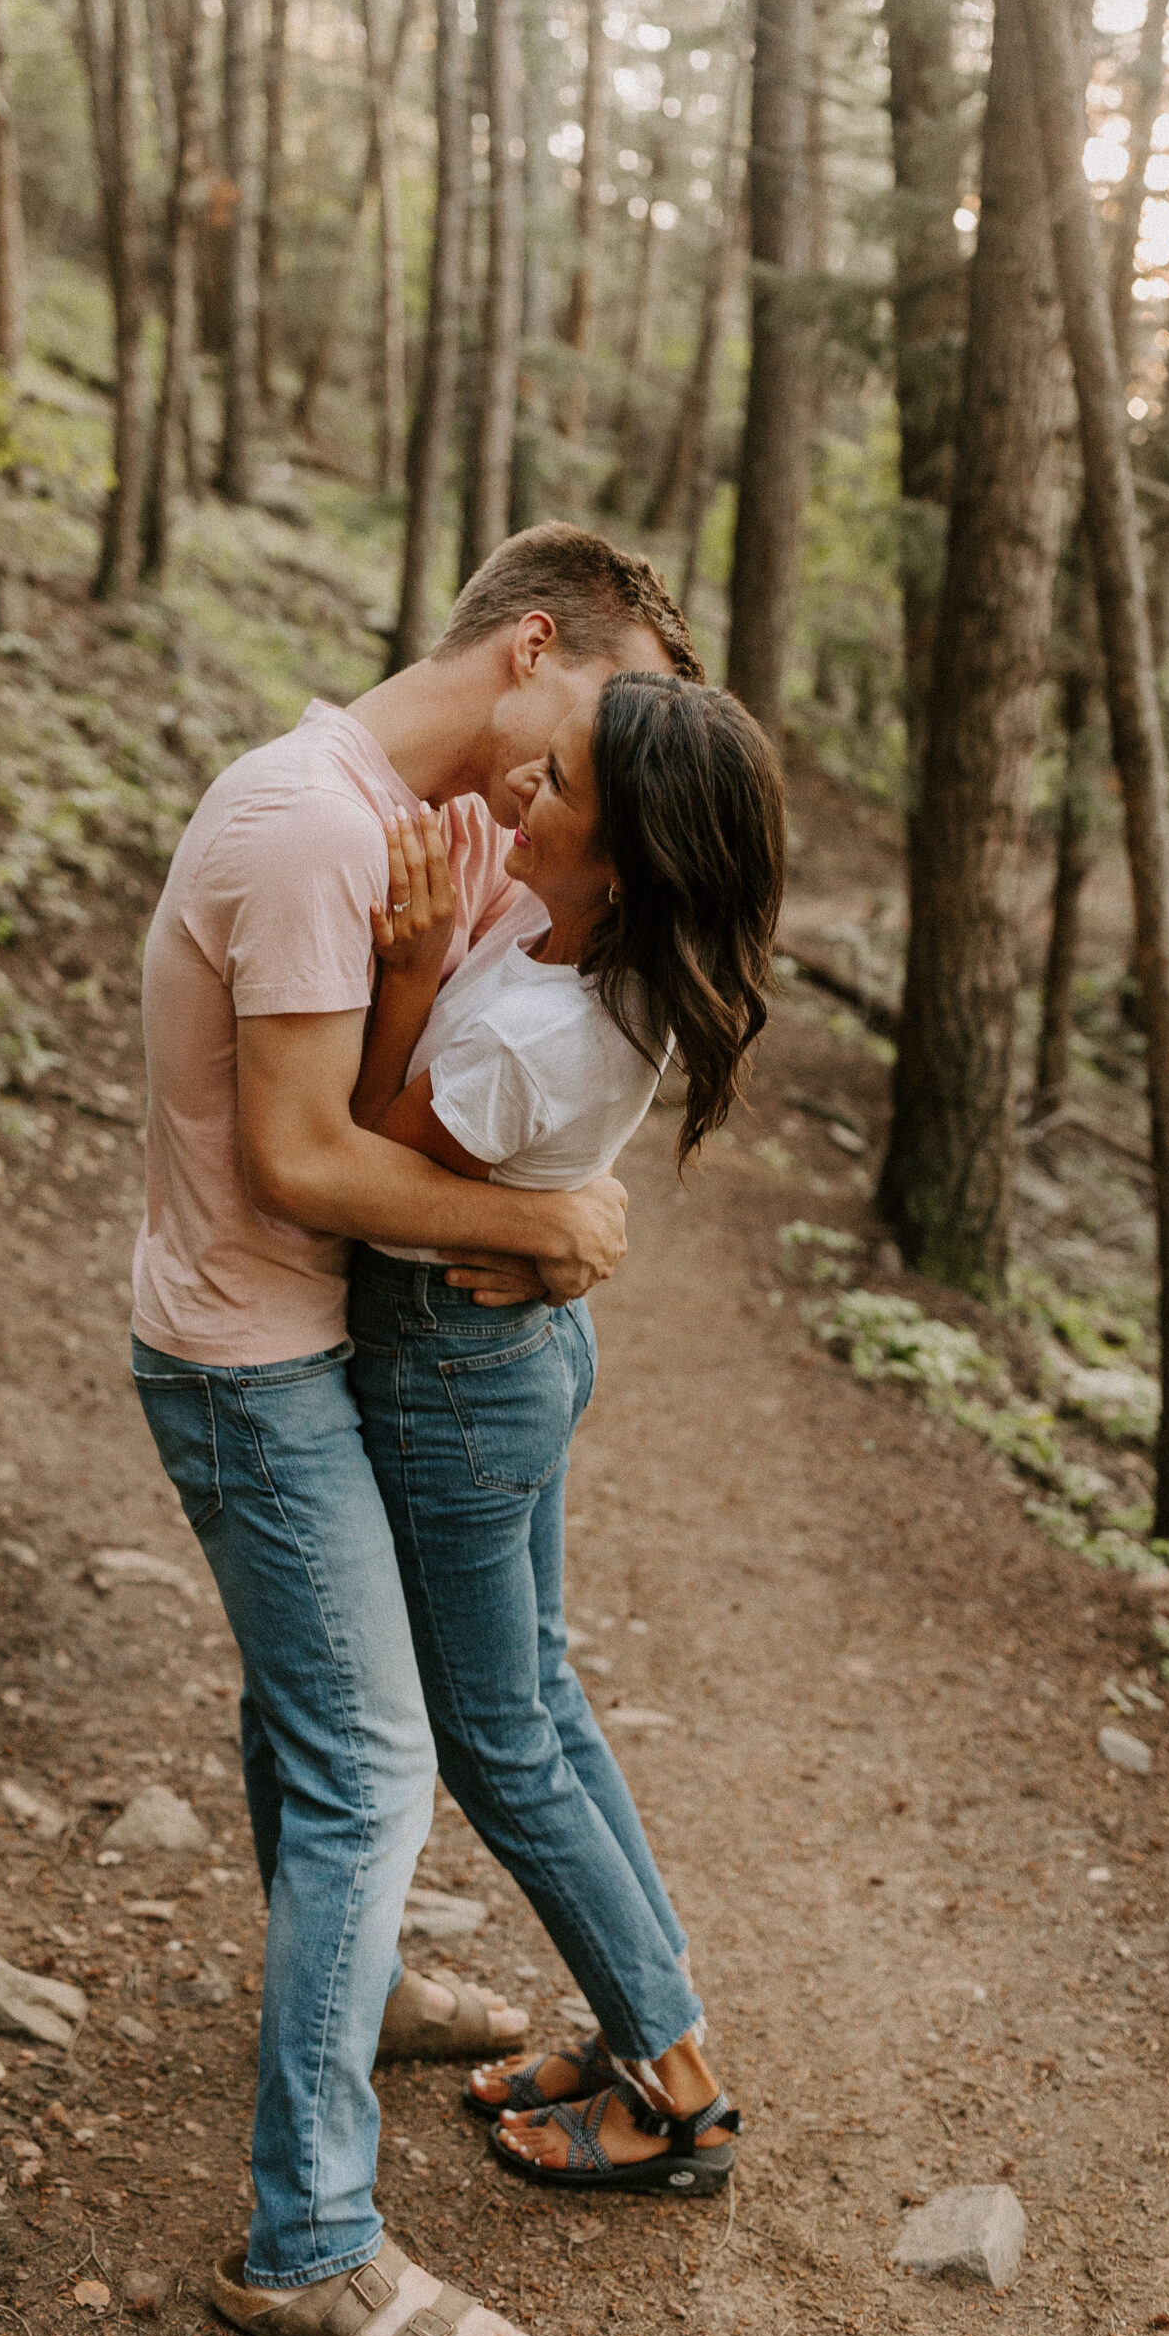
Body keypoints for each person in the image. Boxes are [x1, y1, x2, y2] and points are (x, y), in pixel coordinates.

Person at [129, 526, 700, 2336]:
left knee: (315, 1714)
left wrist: (553, 1218)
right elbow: (306, 1158)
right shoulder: (311, 825)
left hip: (322, 1348)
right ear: (533, 645)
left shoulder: (427, 823)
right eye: (602, 713)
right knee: (379, 1766)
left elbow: (494, 1070)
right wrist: (555, 1225)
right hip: (258, 1360)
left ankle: (358, 1991)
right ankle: (308, 2244)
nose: (593, 768)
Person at [346, 670, 785, 2194]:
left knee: (500, 1742)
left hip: (452, 1371)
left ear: (626, 866)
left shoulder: (533, 1038)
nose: (529, 780)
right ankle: (638, 2019)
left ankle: (678, 2090)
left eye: (567, 783)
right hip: (518, 1350)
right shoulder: (604, 958)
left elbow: (365, 1156)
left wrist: (411, 975)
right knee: (541, 1696)